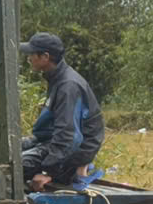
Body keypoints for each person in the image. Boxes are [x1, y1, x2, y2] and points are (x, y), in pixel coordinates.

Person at [20, 32, 105, 191]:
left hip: (76, 151)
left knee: (15, 166)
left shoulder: (68, 86)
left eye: (32, 54)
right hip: (54, 142)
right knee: (11, 149)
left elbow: (68, 136)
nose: (29, 58)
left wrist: (48, 172)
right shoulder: (57, 78)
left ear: (45, 57)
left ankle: (75, 172)